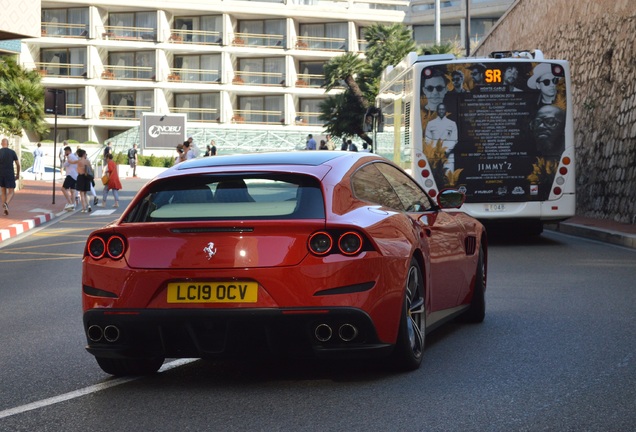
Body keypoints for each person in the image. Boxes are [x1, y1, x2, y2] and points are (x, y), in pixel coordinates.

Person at [424, 104, 458, 171]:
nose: (441, 111)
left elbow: (454, 140)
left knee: (448, 178)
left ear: (445, 111)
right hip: (434, 157)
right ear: (437, 111)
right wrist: (435, 150)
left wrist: (444, 151)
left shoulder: (452, 124)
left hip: (448, 158)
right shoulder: (430, 123)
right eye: (440, 109)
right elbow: (427, 139)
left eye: (443, 109)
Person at [0, 138, 20, 216]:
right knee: (11, 191)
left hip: (1, 174)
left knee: (3, 191)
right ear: (7, 144)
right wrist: (17, 174)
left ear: (2, 144)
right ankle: (6, 203)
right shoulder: (12, 152)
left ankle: (5, 209)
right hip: (9, 174)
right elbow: (18, 164)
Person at [75, 149, 94, 213]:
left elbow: (77, 170)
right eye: (85, 154)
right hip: (87, 178)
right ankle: (88, 205)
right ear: (83, 154)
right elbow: (91, 169)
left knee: (82, 194)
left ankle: (84, 208)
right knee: (85, 193)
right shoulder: (87, 161)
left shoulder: (79, 161)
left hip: (81, 177)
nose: (86, 155)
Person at [61, 146, 79, 211]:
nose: (65, 153)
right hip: (75, 176)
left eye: (65, 151)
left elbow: (65, 165)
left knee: (63, 189)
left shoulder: (70, 157)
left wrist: (65, 159)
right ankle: (73, 205)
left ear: (68, 151)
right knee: (73, 191)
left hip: (70, 175)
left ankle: (70, 203)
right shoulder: (74, 157)